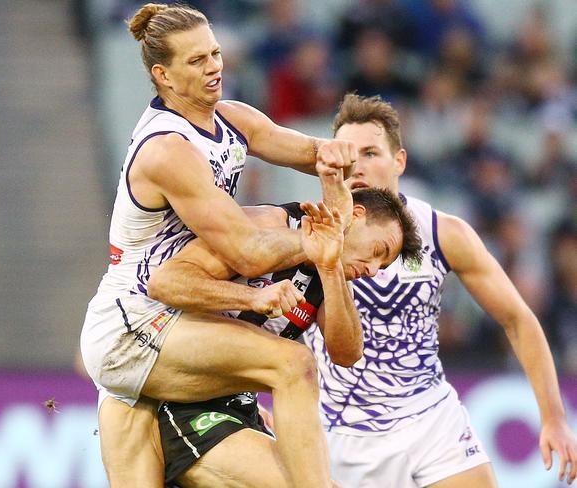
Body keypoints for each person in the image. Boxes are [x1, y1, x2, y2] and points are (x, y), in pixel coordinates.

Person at [79, 3, 358, 487]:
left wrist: (338, 156)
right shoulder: (167, 150)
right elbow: (246, 252)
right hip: (134, 322)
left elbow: (312, 153)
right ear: (162, 76)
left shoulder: (231, 119)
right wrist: (313, 244)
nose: (214, 68)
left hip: (178, 311)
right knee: (292, 364)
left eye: (215, 53)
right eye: (196, 61)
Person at [303, 94, 577, 487]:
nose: (357, 167)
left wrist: (554, 419)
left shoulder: (441, 232)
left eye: (371, 153)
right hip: (344, 428)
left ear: (399, 161)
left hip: (430, 418)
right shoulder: (311, 234)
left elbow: (517, 319)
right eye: (348, 156)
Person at [146, 183, 422, 487]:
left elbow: (347, 353)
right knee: (298, 365)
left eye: (381, 266)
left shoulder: (330, 275)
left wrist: (329, 269)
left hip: (240, 406)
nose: (372, 269)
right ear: (355, 215)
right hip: (182, 401)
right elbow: (165, 282)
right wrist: (249, 297)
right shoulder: (267, 224)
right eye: (377, 251)